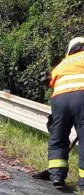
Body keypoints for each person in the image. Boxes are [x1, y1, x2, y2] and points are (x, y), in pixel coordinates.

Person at [48, 37, 84, 190]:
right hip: (82, 97)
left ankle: (57, 175)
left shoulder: (62, 64)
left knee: (58, 137)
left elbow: (53, 82)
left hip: (59, 99)